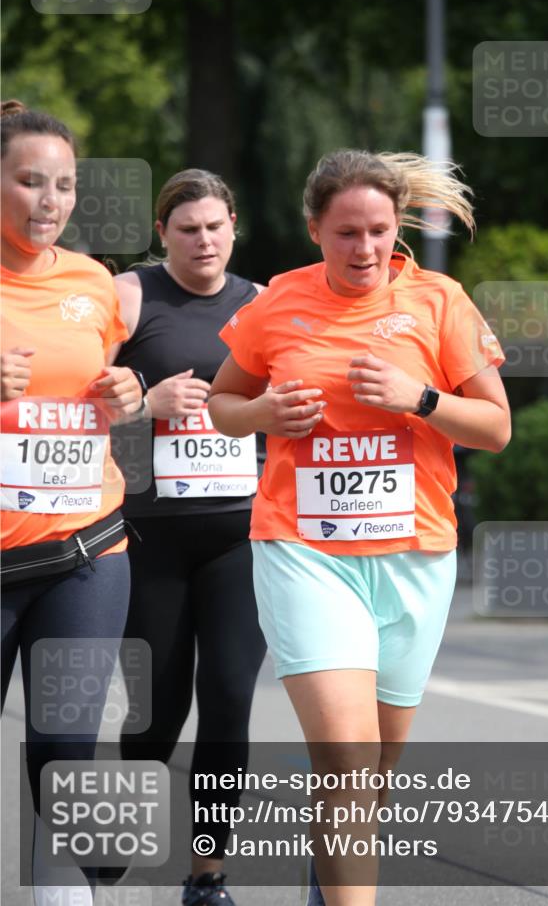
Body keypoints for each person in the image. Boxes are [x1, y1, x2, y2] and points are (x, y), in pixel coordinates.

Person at [207, 149, 511, 906]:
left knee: (373, 773)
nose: (365, 248)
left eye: (378, 230)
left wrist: (420, 398)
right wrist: (262, 412)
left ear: (396, 226)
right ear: (315, 229)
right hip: (304, 550)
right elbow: (221, 405)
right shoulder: (279, 301)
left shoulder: (438, 300)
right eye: (346, 232)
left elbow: (496, 427)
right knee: (346, 758)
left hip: (414, 556)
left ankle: (328, 885)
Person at [111, 169, 267, 906]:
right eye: (187, 229)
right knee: (157, 712)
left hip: (242, 534)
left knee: (229, 697)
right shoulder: (130, 297)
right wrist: (148, 401)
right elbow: (73, 398)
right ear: (162, 233)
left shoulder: (264, 303)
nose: (203, 241)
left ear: (233, 225)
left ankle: (207, 875)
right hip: (150, 537)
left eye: (214, 226)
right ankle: (116, 830)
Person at [0, 100, 143, 904]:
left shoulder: (93, 282)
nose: (48, 201)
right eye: (30, 182)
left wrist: (128, 394)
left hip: (84, 553)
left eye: (63, 185)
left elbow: (104, 386)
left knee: (64, 754)